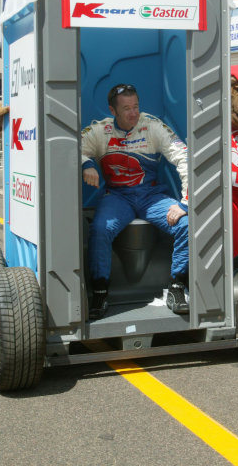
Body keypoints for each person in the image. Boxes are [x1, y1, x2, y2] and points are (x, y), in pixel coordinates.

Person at [82, 83, 189, 319]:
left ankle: (177, 288)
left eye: (136, 106)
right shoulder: (100, 131)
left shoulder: (152, 126)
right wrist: (87, 164)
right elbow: (72, 148)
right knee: (100, 229)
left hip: (150, 195)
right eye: (126, 108)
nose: (133, 113)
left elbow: (183, 156)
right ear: (113, 110)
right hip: (118, 196)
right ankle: (100, 292)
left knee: (187, 225)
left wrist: (185, 203)